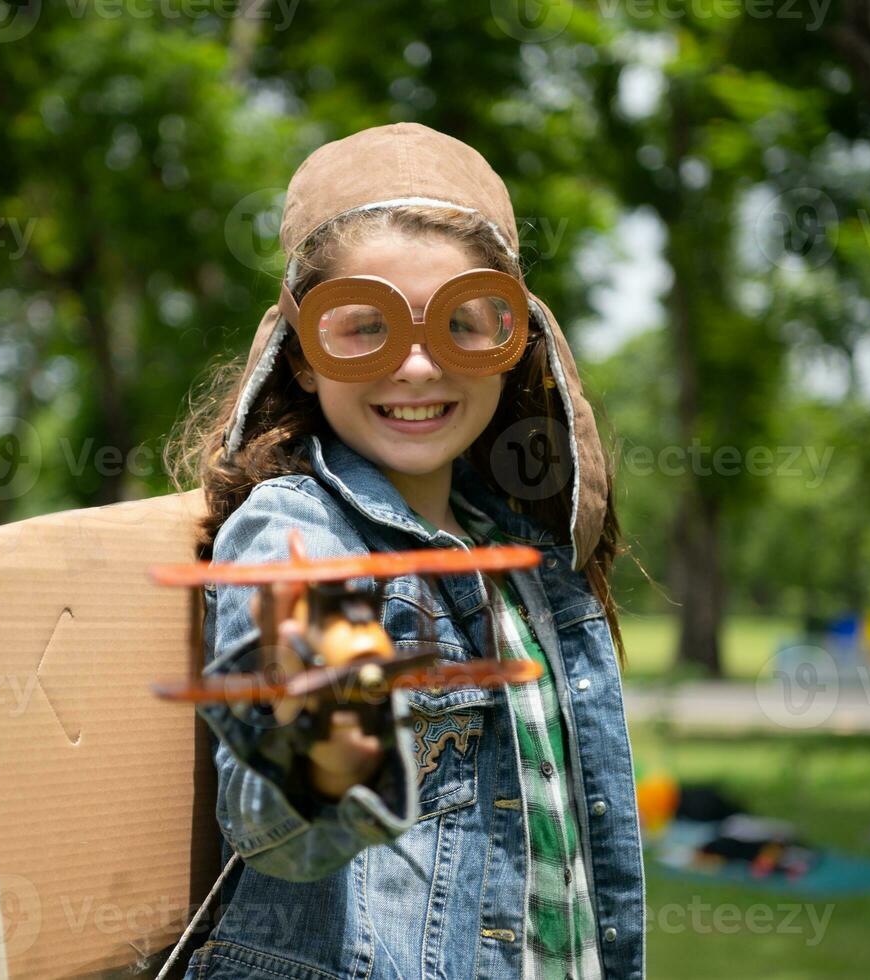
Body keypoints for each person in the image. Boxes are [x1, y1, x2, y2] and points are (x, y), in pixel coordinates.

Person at [163, 122, 645, 980]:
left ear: (513, 341)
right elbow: (274, 828)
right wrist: (325, 751)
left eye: (463, 323)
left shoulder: (522, 560)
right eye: (365, 329)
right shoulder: (302, 537)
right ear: (303, 358)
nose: (418, 367)